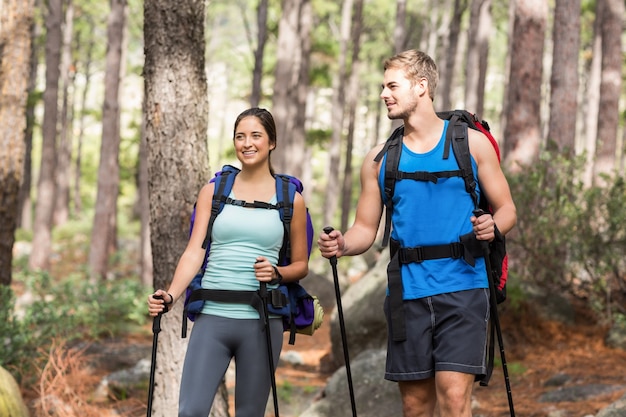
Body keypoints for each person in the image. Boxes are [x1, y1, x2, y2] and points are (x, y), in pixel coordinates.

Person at [318, 50, 516, 417]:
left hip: (465, 287)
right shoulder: (380, 159)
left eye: (392, 85)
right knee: (414, 406)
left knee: (455, 400)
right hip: (407, 294)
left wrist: (493, 225)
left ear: (421, 87)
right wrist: (342, 244)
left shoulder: (471, 143)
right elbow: (364, 229)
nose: (383, 94)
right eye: (383, 86)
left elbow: (507, 209)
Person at [148, 107, 309, 417]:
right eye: (240, 136)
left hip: (262, 320)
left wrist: (276, 272)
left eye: (256, 136)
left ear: (271, 142)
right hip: (212, 316)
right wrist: (170, 296)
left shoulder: (291, 199)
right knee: (191, 411)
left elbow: (301, 265)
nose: (247, 143)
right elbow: (195, 251)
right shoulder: (214, 191)